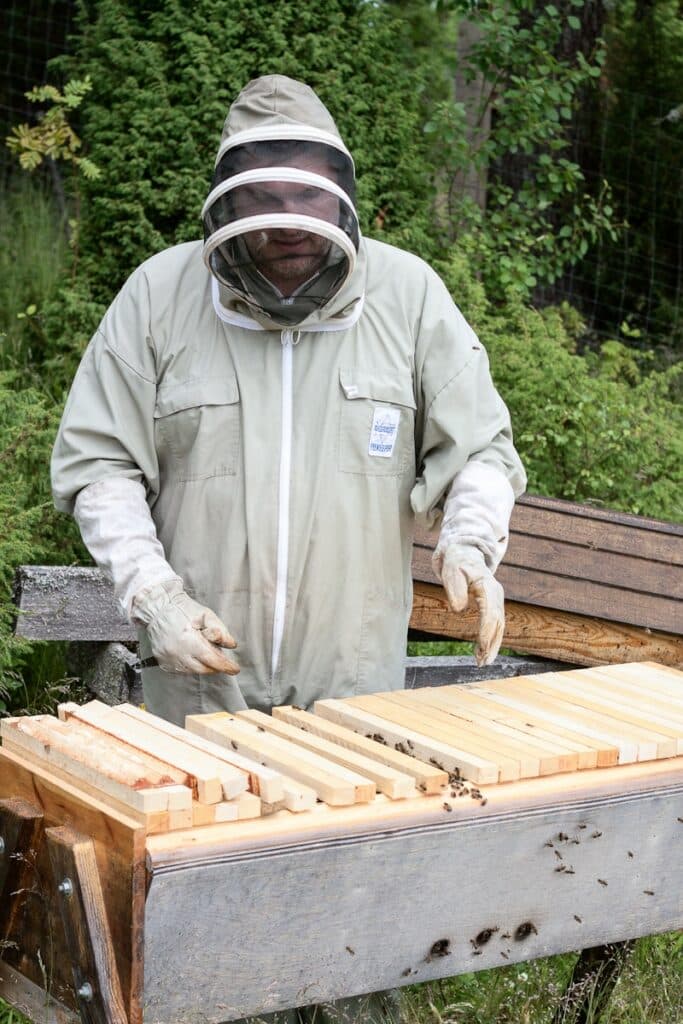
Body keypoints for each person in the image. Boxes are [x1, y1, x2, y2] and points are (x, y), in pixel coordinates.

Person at [52, 73, 526, 730]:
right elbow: (100, 464)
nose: (290, 222)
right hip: (196, 697)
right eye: (265, 200)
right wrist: (154, 598)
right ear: (229, 204)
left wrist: (470, 540)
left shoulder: (408, 296)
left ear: (339, 197)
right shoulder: (158, 297)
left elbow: (478, 447)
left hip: (357, 696)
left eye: (307, 195)